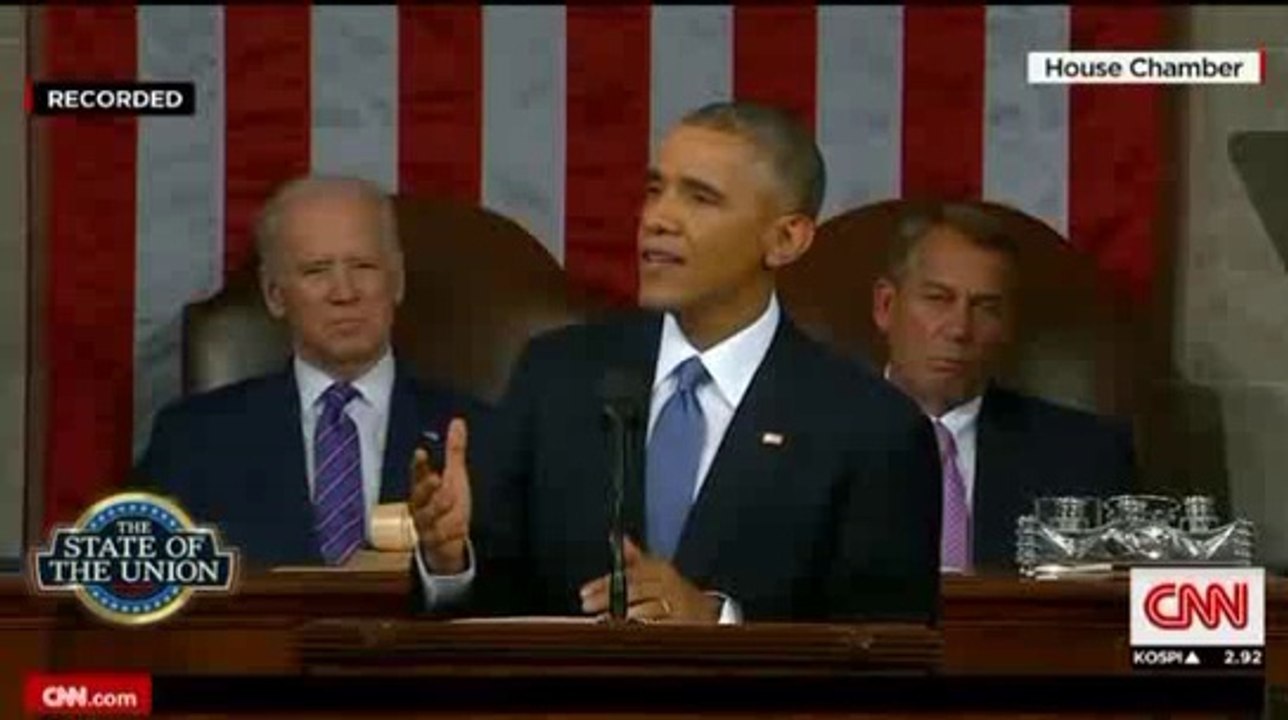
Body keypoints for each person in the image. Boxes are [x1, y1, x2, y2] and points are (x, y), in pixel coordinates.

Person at [410, 101, 942, 623]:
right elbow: (493, 606)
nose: (658, 219)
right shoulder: (556, 375)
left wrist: (717, 623)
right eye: (654, 190)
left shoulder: (873, 429)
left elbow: (886, 659)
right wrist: (449, 561)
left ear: (785, 239)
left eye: (701, 198)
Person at [134, 176, 485, 569]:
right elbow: (133, 591)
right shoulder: (190, 442)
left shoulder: (485, 436)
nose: (344, 292)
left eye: (363, 266)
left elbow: (526, 599)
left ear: (397, 280)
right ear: (274, 295)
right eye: (317, 271)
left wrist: (451, 568)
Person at [872, 203, 1135, 571]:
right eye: (938, 299)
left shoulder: (1088, 455)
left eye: (985, 307)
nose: (960, 328)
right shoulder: (809, 440)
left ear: (1007, 324)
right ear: (885, 306)